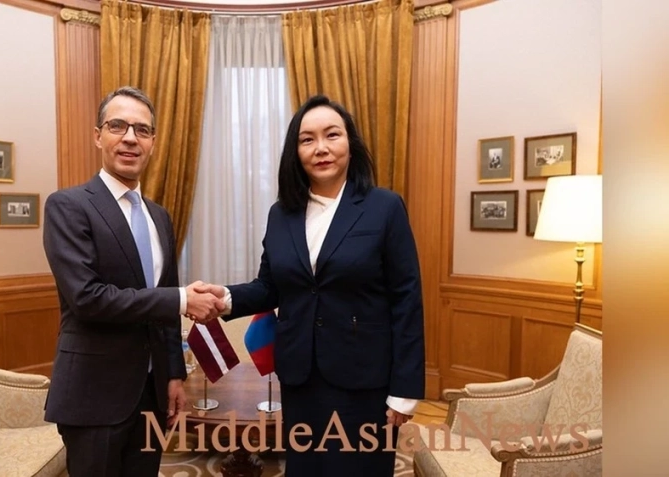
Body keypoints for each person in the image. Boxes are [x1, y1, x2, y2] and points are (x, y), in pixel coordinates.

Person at [196, 95, 425, 477]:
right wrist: (228, 297)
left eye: (332, 135)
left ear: (350, 142)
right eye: (307, 139)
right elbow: (270, 286)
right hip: (300, 375)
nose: (320, 147)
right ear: (295, 151)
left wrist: (405, 388)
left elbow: (407, 299)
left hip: (363, 377)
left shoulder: (384, 207)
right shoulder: (281, 213)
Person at [42, 86, 224, 477]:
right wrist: (181, 299)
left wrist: (173, 375)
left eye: (141, 130)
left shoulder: (160, 217)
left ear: (153, 142)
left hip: (151, 393)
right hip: (94, 395)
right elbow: (87, 298)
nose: (130, 137)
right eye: (118, 126)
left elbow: (164, 311)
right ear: (98, 136)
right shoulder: (68, 206)